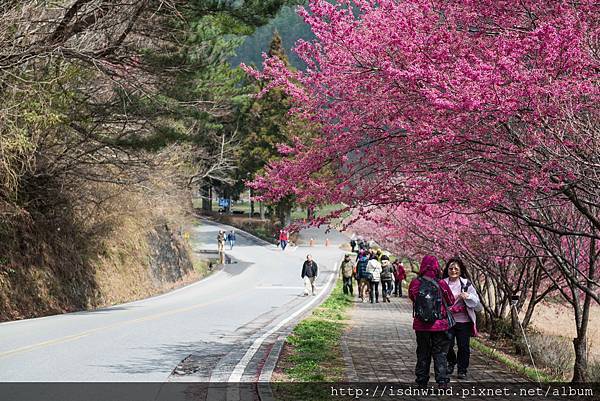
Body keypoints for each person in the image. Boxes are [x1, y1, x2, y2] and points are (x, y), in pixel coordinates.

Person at [409, 255, 455, 388]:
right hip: (440, 325)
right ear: (436, 266)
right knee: (440, 354)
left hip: (421, 325)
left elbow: (413, 298)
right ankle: (442, 382)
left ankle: (422, 382)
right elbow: (451, 300)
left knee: (423, 353)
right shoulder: (441, 283)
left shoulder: (415, 282)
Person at [442, 257, 482, 380]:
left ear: (460, 270)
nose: (453, 270)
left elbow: (477, 302)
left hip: (463, 320)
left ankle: (462, 369)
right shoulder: (442, 283)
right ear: (447, 270)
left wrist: (468, 296)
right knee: (447, 344)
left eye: (456, 269)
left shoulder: (466, 284)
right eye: (451, 268)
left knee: (463, 346)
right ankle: (452, 361)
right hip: (448, 320)